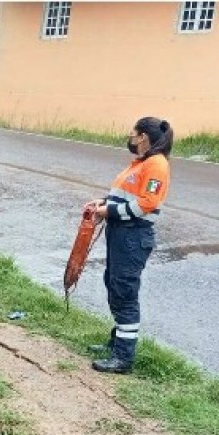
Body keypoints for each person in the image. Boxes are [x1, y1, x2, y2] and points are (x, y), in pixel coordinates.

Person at [85, 117, 174, 374]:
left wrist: (108, 210)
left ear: (143, 137)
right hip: (122, 233)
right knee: (114, 284)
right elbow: (124, 196)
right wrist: (101, 202)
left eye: (132, 134)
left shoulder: (156, 165)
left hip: (133, 235)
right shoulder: (141, 163)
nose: (130, 139)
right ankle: (117, 343)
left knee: (124, 291)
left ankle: (123, 358)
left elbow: (144, 204)